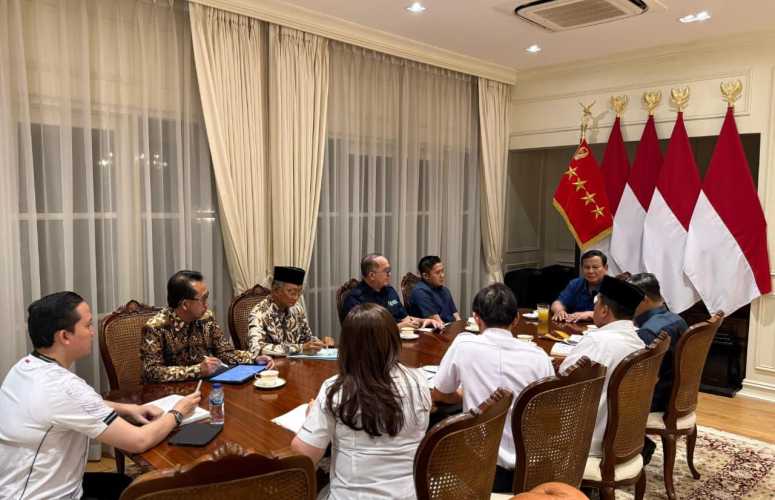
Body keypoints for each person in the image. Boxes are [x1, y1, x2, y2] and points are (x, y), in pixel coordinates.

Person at [0, 292, 201, 500]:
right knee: (147, 494)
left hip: (14, 487)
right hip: (41, 495)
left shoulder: (24, 368)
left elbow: (70, 405)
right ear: (64, 336)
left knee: (124, 485)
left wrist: (129, 408)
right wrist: (178, 411)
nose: (93, 332)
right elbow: (138, 441)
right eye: (87, 326)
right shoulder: (65, 387)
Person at [290, 304, 431, 499]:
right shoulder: (419, 381)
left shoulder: (336, 390)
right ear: (394, 340)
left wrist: (312, 416)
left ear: (347, 346)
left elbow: (303, 456)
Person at [432, 283, 555, 493]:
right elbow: (550, 412)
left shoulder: (464, 345)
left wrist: (463, 395)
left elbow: (440, 394)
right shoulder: (539, 357)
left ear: (476, 318)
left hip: (479, 469)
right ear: (516, 318)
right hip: (531, 470)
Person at [559, 276, 646, 456]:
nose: (594, 309)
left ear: (604, 310)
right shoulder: (639, 342)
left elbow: (564, 381)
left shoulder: (597, 341)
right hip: (623, 437)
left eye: (596, 304)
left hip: (588, 440)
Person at [141, 270, 273, 383]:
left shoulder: (206, 318)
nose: (206, 305)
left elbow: (225, 353)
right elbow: (152, 372)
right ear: (185, 304)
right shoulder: (156, 327)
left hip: (204, 388)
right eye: (203, 299)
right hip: (169, 395)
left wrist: (253, 358)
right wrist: (197, 370)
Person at [627, 272, 689, 463]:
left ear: (644, 299)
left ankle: (636, 446)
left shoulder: (649, 332)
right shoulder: (675, 318)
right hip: (678, 395)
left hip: (658, 400)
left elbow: (636, 378)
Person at [248, 266, 334, 357]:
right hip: (271, 366)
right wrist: (299, 348)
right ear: (275, 290)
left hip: (296, 364)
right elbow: (256, 348)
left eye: (299, 292)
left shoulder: (297, 309)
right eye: (291, 292)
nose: (296, 297)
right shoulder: (259, 314)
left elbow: (306, 340)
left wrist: (320, 343)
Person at [342, 254, 442, 330]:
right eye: (386, 271)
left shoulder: (390, 291)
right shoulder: (355, 298)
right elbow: (362, 333)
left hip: (398, 342)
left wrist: (424, 321)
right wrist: (398, 327)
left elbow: (404, 318)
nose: (389, 274)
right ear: (372, 275)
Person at [552, 250, 608, 323]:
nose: (590, 271)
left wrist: (590, 314)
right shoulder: (576, 283)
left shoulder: (614, 286)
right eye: (587, 267)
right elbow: (557, 303)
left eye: (595, 267)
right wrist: (559, 310)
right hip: (576, 329)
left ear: (605, 268)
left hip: (605, 331)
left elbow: (620, 317)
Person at [408, 255, 462, 323]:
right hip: (433, 331)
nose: (442, 275)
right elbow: (438, 323)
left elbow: (457, 317)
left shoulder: (445, 290)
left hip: (450, 328)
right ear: (426, 276)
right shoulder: (420, 292)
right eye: (438, 272)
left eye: (442, 271)